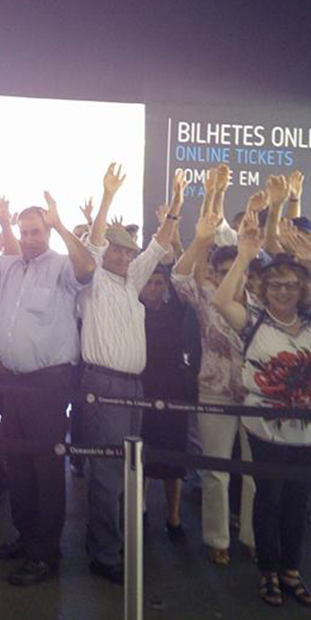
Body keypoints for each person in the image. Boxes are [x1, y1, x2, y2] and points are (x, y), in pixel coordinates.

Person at [0, 193, 95, 587]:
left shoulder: (62, 266)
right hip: (12, 380)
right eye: (25, 232)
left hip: (48, 382)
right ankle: (27, 536)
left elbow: (88, 268)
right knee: (17, 464)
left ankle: (45, 554)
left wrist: (61, 224)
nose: (30, 239)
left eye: (37, 231)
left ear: (47, 233)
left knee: (45, 468)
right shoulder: (8, 266)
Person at [213, 217, 311, 607]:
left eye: (291, 285)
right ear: (264, 288)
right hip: (265, 427)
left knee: (298, 500)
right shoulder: (253, 321)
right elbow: (222, 301)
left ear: (302, 288)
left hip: (309, 428)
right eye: (276, 285)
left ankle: (291, 569)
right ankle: (268, 570)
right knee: (269, 498)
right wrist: (244, 257)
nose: (284, 292)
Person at [78, 164, 180, 583]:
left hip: (134, 387)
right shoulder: (94, 280)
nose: (122, 256)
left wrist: (176, 204)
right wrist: (107, 196)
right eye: (116, 250)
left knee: (127, 469)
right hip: (103, 383)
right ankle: (104, 554)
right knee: (107, 473)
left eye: (127, 251)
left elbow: (160, 244)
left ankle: (114, 542)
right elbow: (95, 241)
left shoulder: (131, 279)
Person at [171, 165, 256, 566]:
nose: (226, 277)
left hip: (257, 393)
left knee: (255, 471)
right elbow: (179, 276)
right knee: (216, 469)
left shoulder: (263, 301)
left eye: (233, 271)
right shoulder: (205, 295)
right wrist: (203, 233)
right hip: (214, 389)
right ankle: (217, 538)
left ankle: (253, 535)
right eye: (221, 272)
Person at [139, 263, 190, 541]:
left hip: (173, 391)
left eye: (158, 283)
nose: (153, 288)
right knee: (142, 453)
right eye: (149, 282)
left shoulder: (175, 311)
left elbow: (183, 270)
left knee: (174, 456)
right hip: (143, 388)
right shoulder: (132, 311)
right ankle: (141, 508)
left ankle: (174, 516)